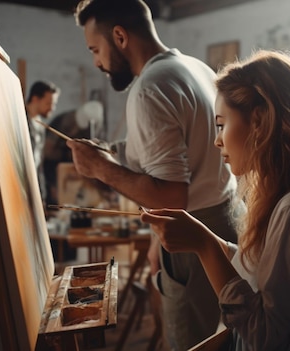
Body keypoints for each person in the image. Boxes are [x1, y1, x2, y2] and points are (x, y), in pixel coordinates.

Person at [141, 50, 290, 350]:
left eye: (221, 124)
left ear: (259, 122)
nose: (217, 140)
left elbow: (264, 337)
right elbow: (266, 269)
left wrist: (205, 248)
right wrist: (205, 238)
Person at [70, 0, 238, 349]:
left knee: (191, 342)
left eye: (95, 49)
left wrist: (100, 168)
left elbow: (170, 195)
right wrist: (111, 151)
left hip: (192, 234)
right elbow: (173, 152)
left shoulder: (150, 88)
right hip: (225, 220)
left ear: (119, 36)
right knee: (223, 337)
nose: (96, 62)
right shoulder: (195, 67)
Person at [25, 80, 60, 204]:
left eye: (54, 104)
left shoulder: (40, 126)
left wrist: (42, 196)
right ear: (35, 99)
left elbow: (39, 164)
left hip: (32, 189)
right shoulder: (20, 120)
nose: (52, 108)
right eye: (48, 103)